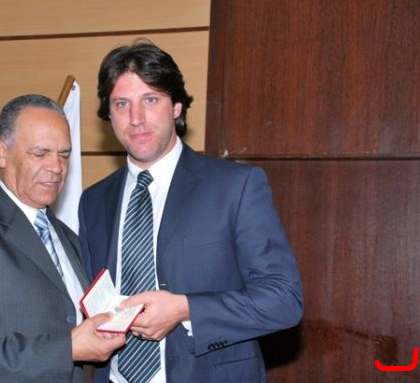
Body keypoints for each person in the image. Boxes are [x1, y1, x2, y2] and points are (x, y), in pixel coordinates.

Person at [78, 41, 304, 383]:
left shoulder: (235, 187)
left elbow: (283, 300)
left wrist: (185, 309)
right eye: (122, 104)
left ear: (176, 107)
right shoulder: (93, 201)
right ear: (108, 115)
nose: (136, 119)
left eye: (150, 100)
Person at [0, 94, 125, 383]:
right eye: (40, 153)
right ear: (1, 153)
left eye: (64, 155)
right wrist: (67, 349)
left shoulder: (69, 238)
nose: (56, 167)